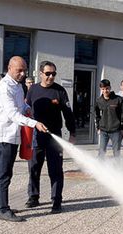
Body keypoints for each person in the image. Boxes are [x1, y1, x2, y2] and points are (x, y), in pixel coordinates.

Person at [0, 56, 48, 222]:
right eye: (19, 70)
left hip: (13, 137)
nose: (23, 74)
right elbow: (13, 114)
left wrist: (29, 108)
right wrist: (34, 123)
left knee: (2, 173)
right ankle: (3, 209)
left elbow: (21, 108)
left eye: (24, 70)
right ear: (9, 68)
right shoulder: (3, 88)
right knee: (4, 174)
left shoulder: (18, 87)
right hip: (3, 137)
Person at [24, 60, 76, 214]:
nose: (51, 76)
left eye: (54, 74)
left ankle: (56, 200)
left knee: (55, 170)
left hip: (54, 137)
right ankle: (33, 197)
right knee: (34, 167)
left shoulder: (59, 91)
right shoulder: (32, 90)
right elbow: (26, 110)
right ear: (41, 74)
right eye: (48, 74)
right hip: (36, 135)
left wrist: (72, 133)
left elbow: (68, 114)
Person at [94, 79, 123, 159]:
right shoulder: (99, 101)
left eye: (107, 88)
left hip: (116, 130)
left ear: (110, 87)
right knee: (101, 151)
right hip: (103, 131)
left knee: (116, 152)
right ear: (101, 89)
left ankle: (117, 169)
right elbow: (96, 115)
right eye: (103, 89)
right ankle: (100, 168)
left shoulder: (118, 100)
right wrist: (98, 127)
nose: (105, 91)